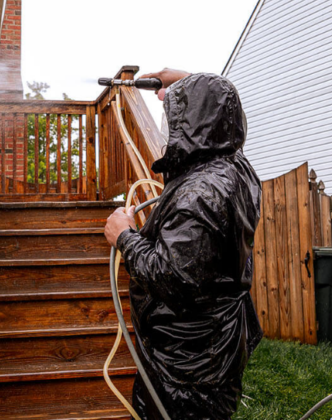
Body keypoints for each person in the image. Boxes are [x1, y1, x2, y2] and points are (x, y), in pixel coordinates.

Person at [103, 68, 263, 420]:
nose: (169, 130)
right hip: (211, 352)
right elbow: (224, 118)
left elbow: (174, 278)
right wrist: (191, 82)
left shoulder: (200, 194)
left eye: (175, 120)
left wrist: (125, 237)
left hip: (186, 368)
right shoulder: (236, 170)